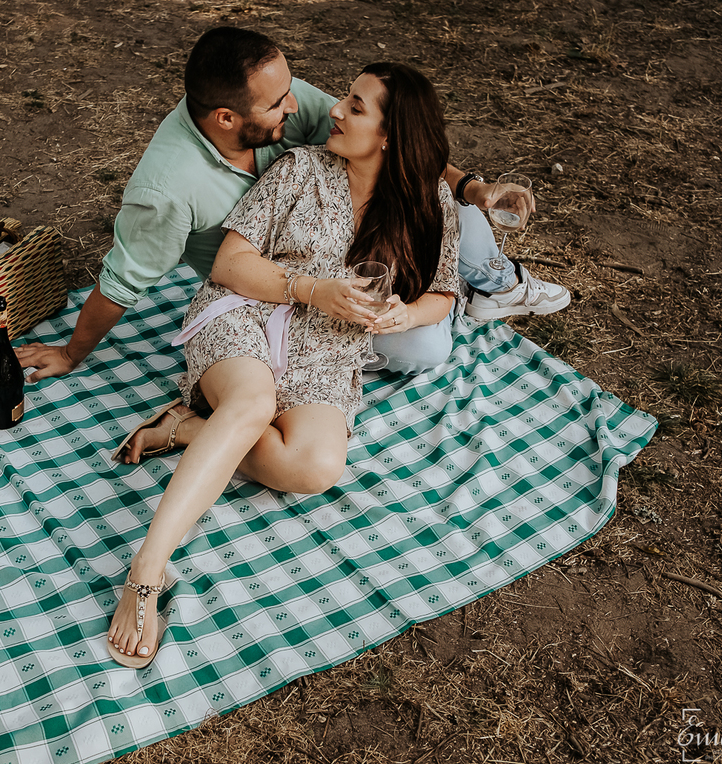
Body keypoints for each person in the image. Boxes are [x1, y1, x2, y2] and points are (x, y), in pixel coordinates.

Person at [106, 62, 460, 668]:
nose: (336, 112)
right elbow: (228, 264)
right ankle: (146, 571)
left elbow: (444, 295)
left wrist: (405, 317)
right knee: (252, 405)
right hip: (247, 312)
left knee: (316, 466)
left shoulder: (430, 201)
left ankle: (190, 427)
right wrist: (310, 288)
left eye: (355, 105)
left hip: (329, 348)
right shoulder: (301, 169)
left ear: (390, 136)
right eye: (344, 99)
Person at [16, 27, 569, 384]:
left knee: (450, 214)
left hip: (361, 245)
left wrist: (468, 186)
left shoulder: (288, 107)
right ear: (227, 119)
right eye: (279, 103)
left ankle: (496, 282)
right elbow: (122, 281)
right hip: (272, 286)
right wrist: (71, 352)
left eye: (290, 92)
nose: (303, 107)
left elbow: (399, 141)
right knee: (422, 341)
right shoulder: (168, 189)